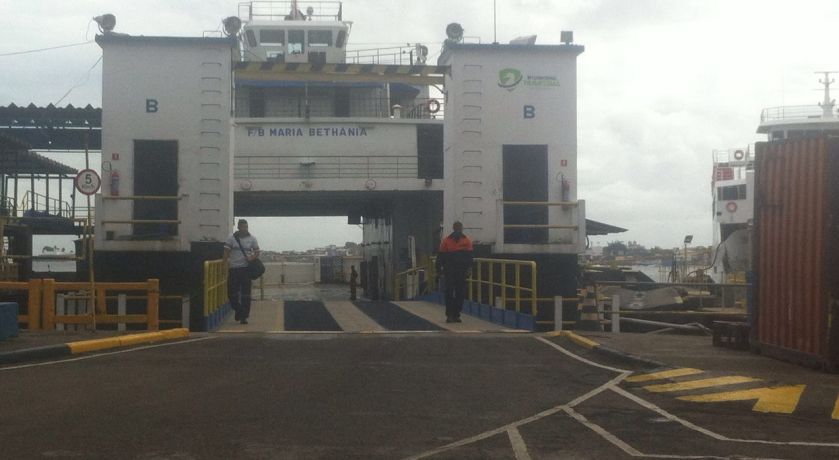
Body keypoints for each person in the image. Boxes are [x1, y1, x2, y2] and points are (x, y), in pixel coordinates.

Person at [223, 219, 260, 324]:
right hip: (233, 269)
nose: (245, 229)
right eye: (243, 227)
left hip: (246, 269)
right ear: (238, 227)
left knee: (246, 294)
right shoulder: (231, 238)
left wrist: (251, 258)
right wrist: (224, 265)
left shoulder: (252, 239)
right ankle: (239, 310)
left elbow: (257, 252)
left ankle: (244, 317)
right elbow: (226, 253)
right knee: (231, 293)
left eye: (246, 227)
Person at [436, 221, 473, 323]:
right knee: (451, 292)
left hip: (458, 271)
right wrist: (438, 270)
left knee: (458, 292)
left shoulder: (464, 241)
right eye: (457, 228)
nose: (458, 230)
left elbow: (470, 257)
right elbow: (440, 257)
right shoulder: (448, 241)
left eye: (459, 228)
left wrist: (438, 269)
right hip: (451, 271)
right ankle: (451, 315)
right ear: (455, 229)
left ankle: (455, 314)